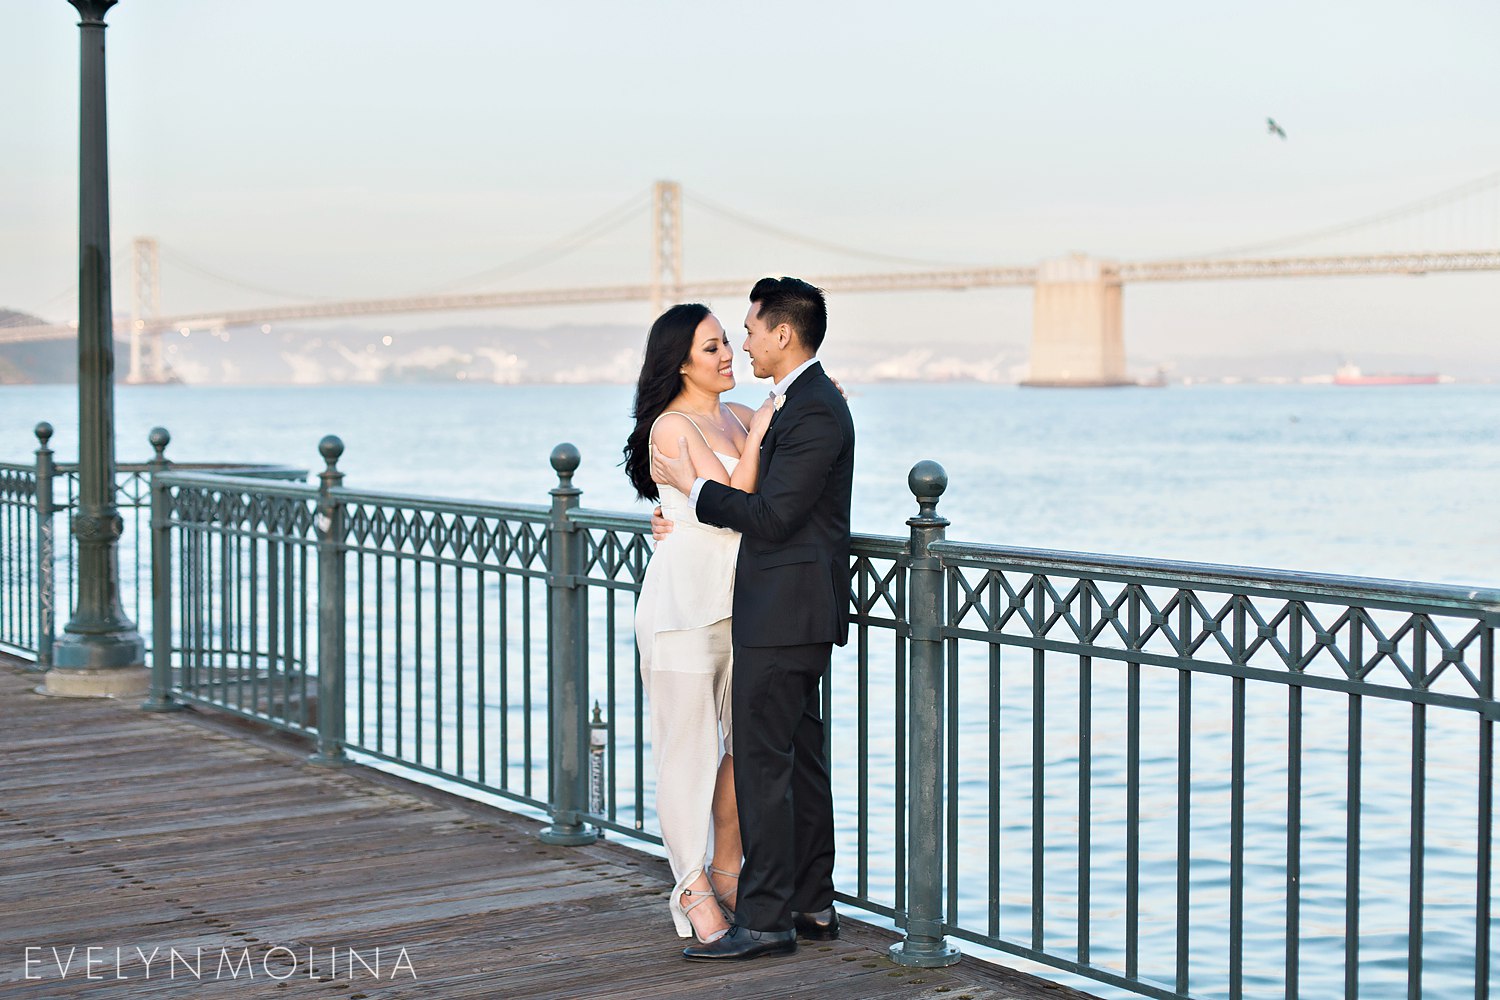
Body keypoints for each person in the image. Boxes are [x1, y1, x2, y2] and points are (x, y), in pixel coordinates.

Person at [651, 277, 855, 962]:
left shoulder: (812, 410)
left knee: (767, 767)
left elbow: (771, 515)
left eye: (749, 330)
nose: (744, 341)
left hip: (780, 612)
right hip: (777, 609)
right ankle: (812, 905)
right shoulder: (800, 405)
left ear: (782, 334)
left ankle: (766, 920)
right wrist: (672, 521)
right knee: (794, 765)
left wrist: (693, 494)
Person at [624, 303, 775, 945]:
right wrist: (771, 419)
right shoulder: (670, 427)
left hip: (747, 606)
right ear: (680, 361)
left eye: (726, 343)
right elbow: (731, 503)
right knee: (686, 755)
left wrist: (776, 414)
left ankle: (728, 870)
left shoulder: (740, 415)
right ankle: (690, 887)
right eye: (712, 347)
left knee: (746, 748)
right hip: (684, 607)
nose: (728, 355)